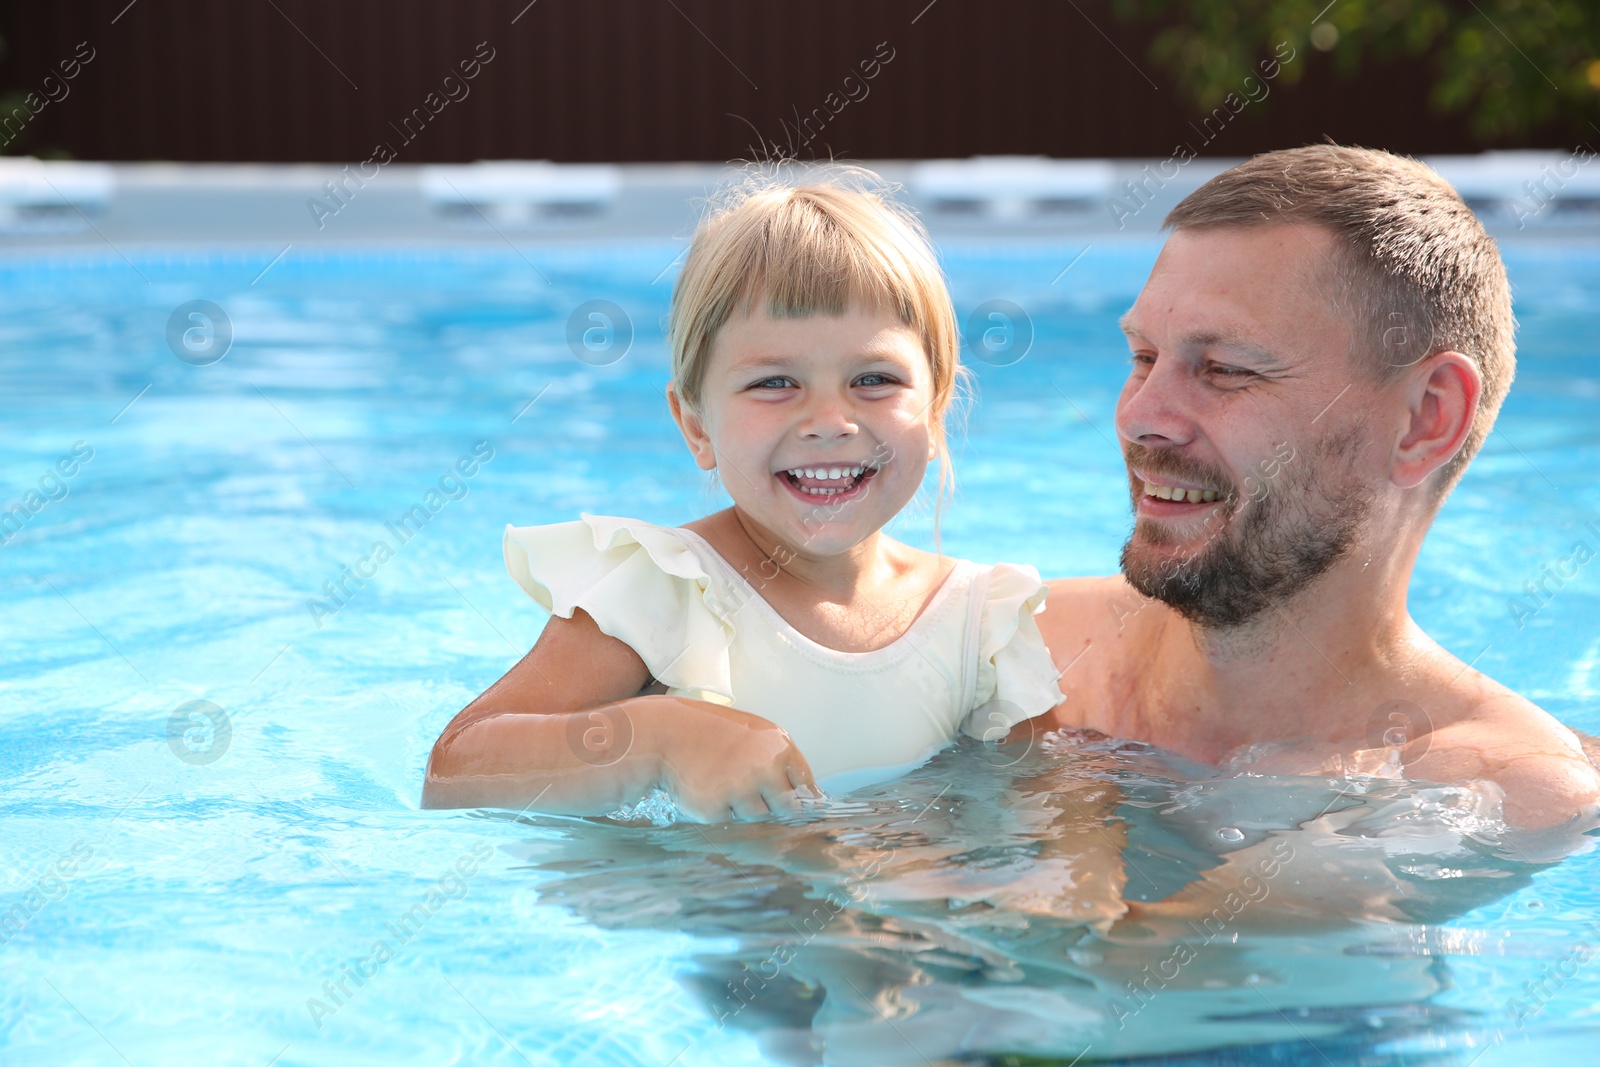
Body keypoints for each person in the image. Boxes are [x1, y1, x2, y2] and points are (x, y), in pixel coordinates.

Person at [422, 167, 1065, 821]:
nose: (829, 420)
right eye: (775, 382)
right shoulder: (664, 591)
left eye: (873, 378)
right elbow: (455, 768)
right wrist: (659, 739)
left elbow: (1043, 817)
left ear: (933, 415)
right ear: (697, 426)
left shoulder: (978, 626)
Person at [1026, 143, 1600, 830]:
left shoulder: (1495, 783)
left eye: (1226, 369)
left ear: (1426, 418)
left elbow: (1159, 942)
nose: (1139, 416)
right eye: (1143, 357)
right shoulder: (1011, 647)